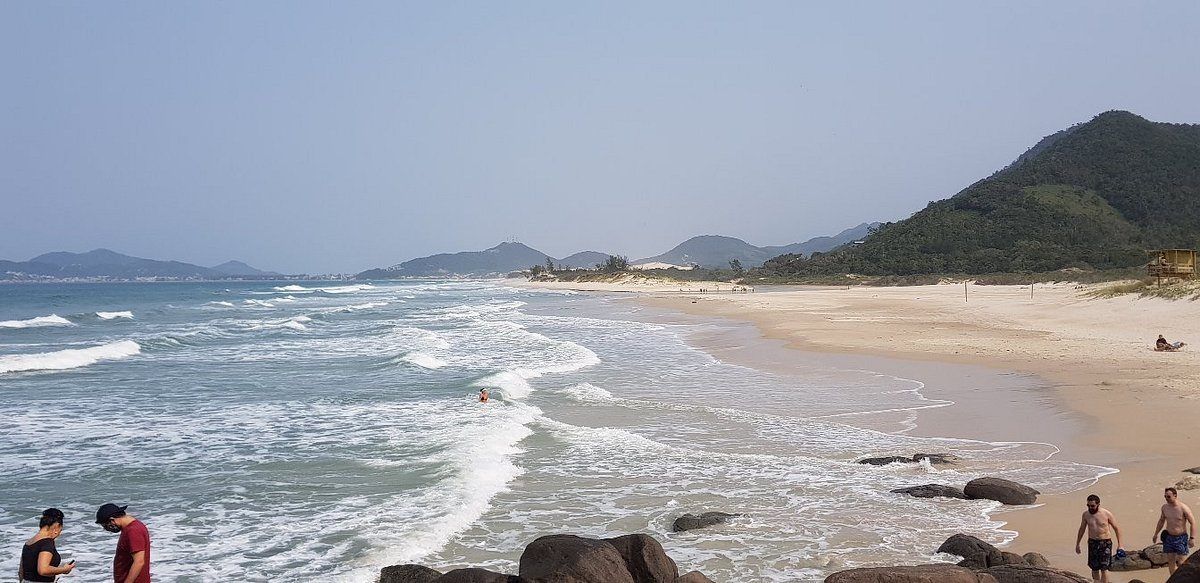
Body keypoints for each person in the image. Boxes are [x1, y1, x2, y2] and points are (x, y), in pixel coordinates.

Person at [96, 503, 150, 583]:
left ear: (112, 520)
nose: (107, 529)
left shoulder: (133, 531)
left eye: (105, 526)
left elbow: (139, 561)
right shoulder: (130, 528)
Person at [19, 508, 76, 582]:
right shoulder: (47, 542)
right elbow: (43, 570)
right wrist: (64, 569)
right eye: (60, 530)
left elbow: (21, 572)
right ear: (57, 527)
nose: (58, 534)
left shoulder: (28, 543)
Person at [1075, 494, 1122, 582]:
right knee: (1094, 568)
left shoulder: (1106, 514)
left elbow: (1117, 528)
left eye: (1092, 506)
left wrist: (1120, 545)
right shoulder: (1086, 515)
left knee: (1104, 568)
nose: (1090, 508)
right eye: (1088, 505)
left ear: (1098, 504)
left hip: (1105, 543)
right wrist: (1077, 544)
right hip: (1092, 542)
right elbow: (1082, 529)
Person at [1153, 487, 1196, 574]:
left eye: (1168, 496)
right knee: (1171, 562)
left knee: (1181, 563)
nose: (1166, 498)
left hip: (1181, 538)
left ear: (1175, 496)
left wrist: (1192, 538)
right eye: (1165, 496)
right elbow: (1161, 521)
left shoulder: (1183, 508)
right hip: (1168, 538)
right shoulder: (1165, 508)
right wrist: (1156, 534)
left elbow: (1193, 523)